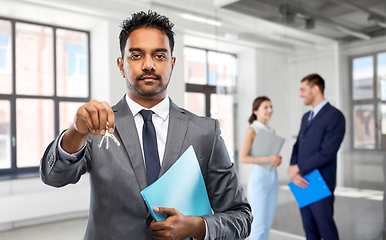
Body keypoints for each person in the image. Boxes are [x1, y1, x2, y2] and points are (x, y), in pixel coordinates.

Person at [40, 10, 252, 240]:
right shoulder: (96, 125)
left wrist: (198, 227)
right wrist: (76, 131)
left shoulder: (205, 132)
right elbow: (54, 177)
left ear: (172, 63)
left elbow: (240, 216)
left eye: (159, 56)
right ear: (121, 65)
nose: (149, 65)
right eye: (136, 55)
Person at [287, 73, 345, 240]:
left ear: (315, 89)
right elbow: (297, 145)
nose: (300, 94)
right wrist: (293, 170)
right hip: (301, 181)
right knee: (310, 231)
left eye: (303, 90)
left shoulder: (335, 116)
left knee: (326, 231)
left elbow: (327, 152)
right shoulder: (306, 117)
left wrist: (298, 168)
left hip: (321, 182)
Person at [239, 96, 282, 240]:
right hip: (259, 178)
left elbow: (269, 157)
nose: (270, 110)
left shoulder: (271, 130)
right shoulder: (252, 130)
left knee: (267, 225)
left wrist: (274, 160)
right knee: (258, 225)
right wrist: (268, 159)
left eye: (271, 107)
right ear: (255, 110)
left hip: (272, 176)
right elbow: (243, 158)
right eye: (266, 107)